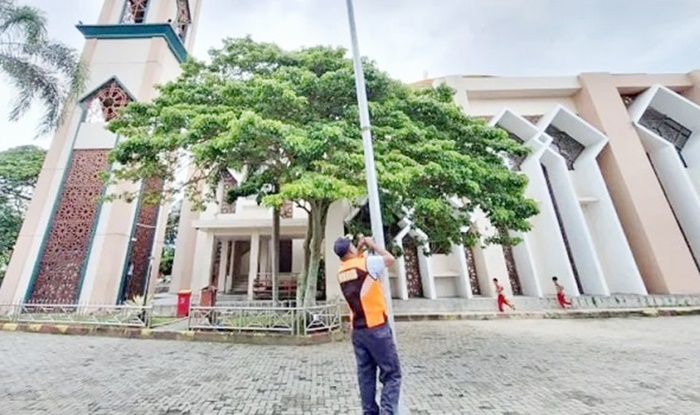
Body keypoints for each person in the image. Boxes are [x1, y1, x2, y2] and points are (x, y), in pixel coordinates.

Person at [334, 234, 401, 415]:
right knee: (392, 375)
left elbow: (356, 266)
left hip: (358, 331)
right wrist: (373, 244)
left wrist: (360, 247)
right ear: (350, 250)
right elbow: (389, 259)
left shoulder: (341, 272)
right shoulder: (367, 264)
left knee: (366, 376)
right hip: (377, 328)